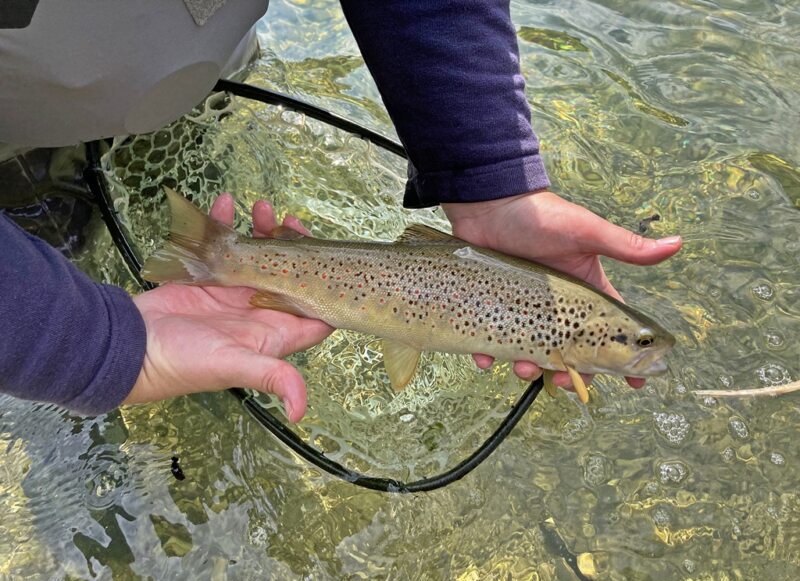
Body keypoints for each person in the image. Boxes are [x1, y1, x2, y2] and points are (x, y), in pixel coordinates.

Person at [0, 1, 681, 421]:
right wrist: (93, 348)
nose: (643, 350)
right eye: (637, 341)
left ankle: (197, 250)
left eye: (637, 341)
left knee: (177, 178)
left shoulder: (568, 321)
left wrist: (492, 176)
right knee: (48, 232)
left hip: (192, 51)